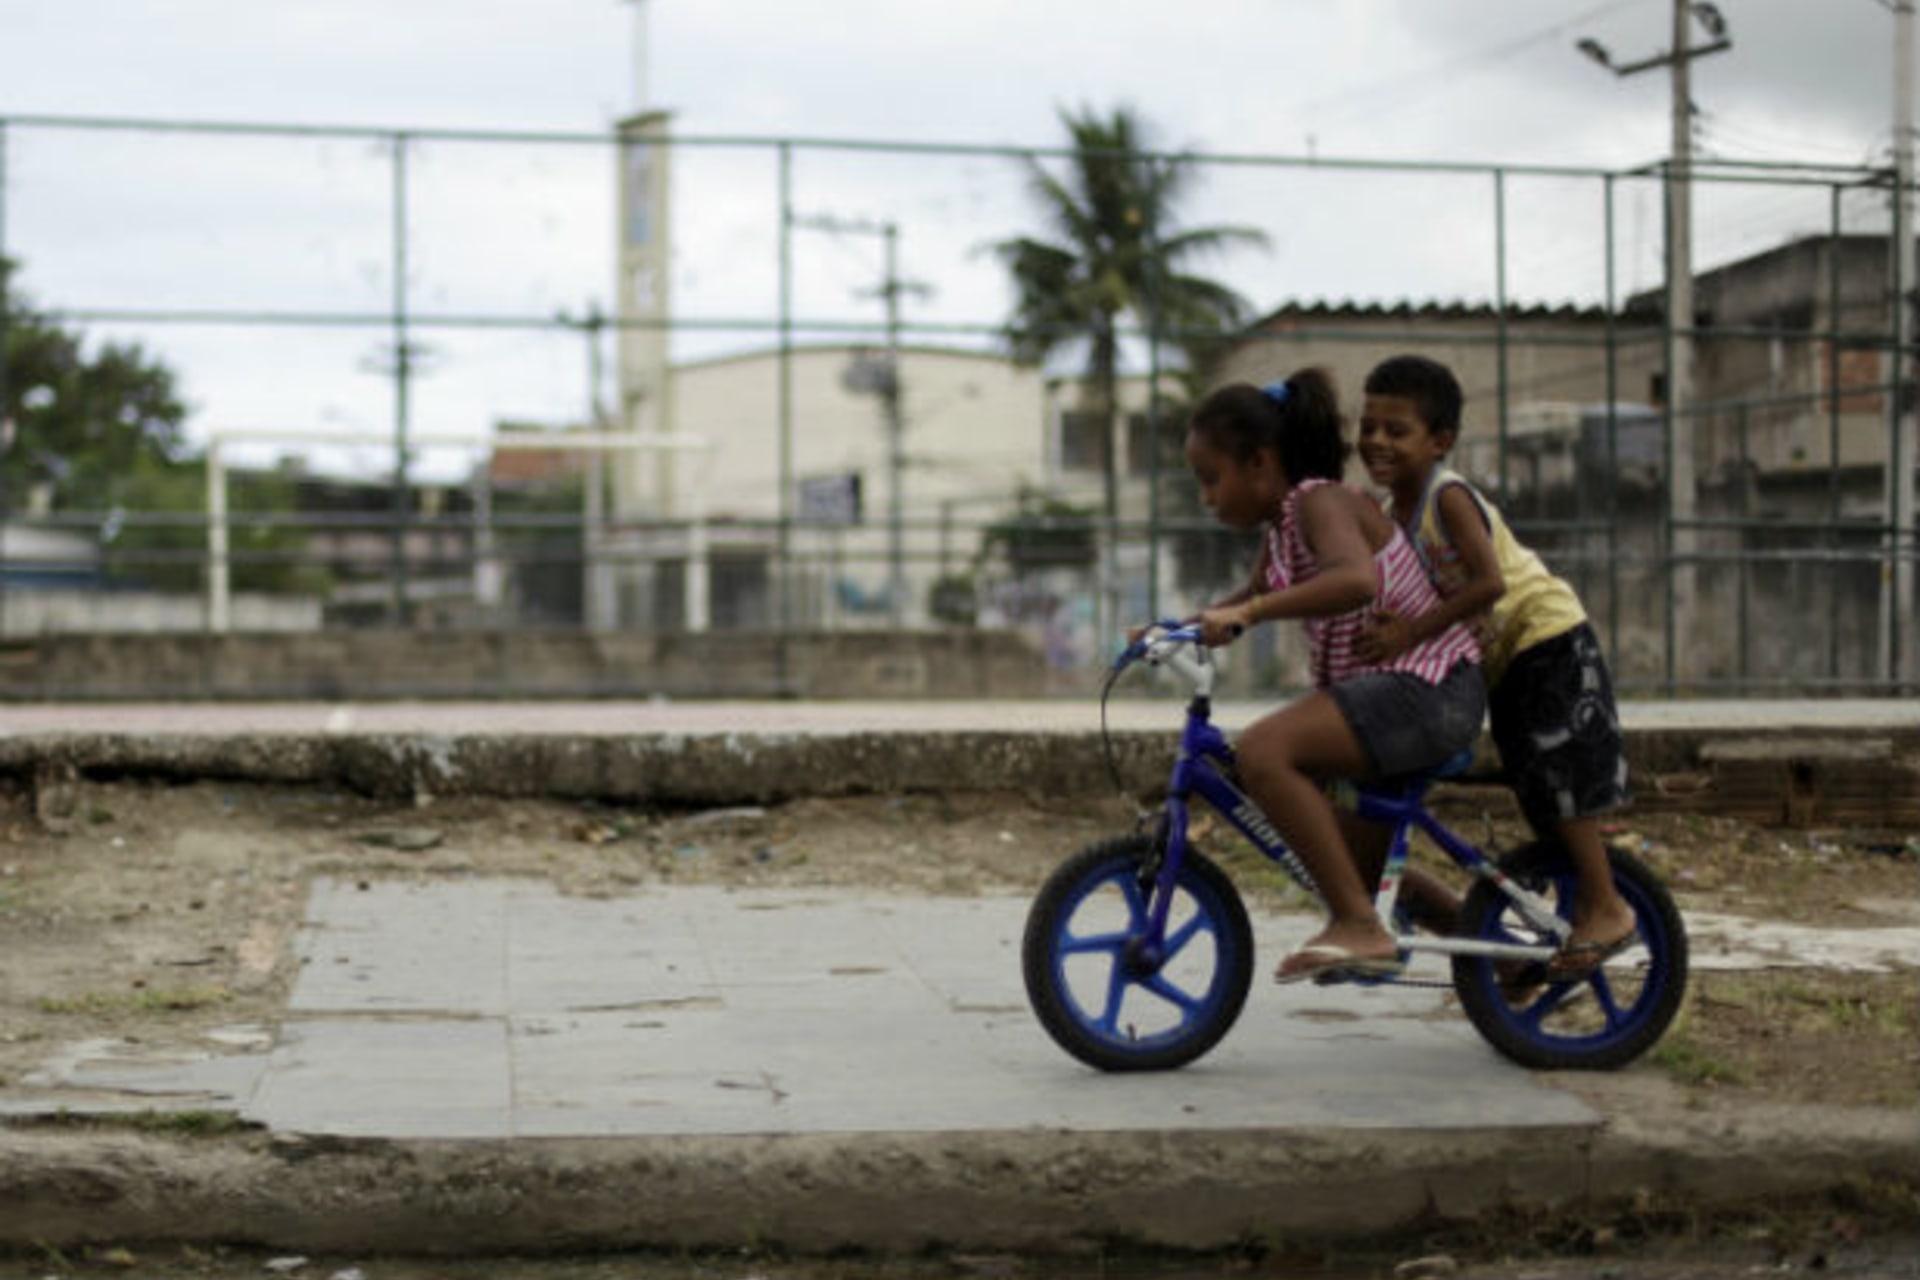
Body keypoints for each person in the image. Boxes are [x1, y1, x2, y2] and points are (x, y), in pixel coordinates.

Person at [1175, 371, 1485, 984]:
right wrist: (1174, 630)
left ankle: (1358, 927)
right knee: (1357, 873)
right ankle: (1492, 954)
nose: (1208, 497)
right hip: (1392, 698)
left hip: (1426, 691)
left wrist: (1251, 612)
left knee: (1264, 750)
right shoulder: (1284, 529)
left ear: (1261, 461)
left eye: (1212, 479)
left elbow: (1354, 580)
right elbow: (1251, 596)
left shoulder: (1322, 502)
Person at [1354, 353, 1638, 978]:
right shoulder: (1391, 515)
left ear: (1440, 442)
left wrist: (1408, 635)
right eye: (1368, 425)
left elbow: (1485, 583)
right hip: (1503, 659)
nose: (1376, 440)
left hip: (1546, 636)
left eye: (1396, 430)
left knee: (1560, 776)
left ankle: (1608, 904)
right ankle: (1546, 927)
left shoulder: (1445, 496)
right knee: (1536, 787)